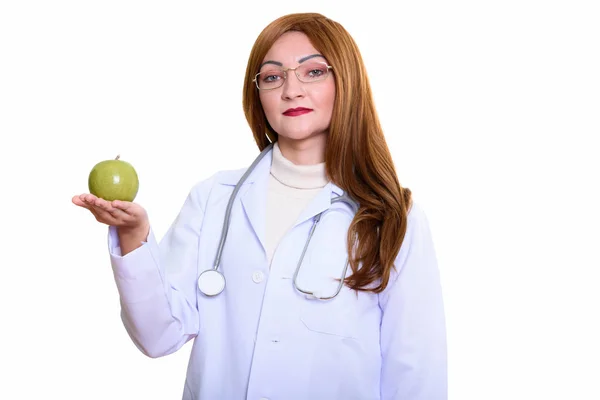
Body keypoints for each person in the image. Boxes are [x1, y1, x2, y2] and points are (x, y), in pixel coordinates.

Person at [73, 12, 447, 400]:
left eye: (313, 72)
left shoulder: (391, 217)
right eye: (272, 76)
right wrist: (134, 237)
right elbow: (158, 336)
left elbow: (416, 370)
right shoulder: (213, 198)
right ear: (259, 95)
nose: (291, 89)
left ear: (346, 81)